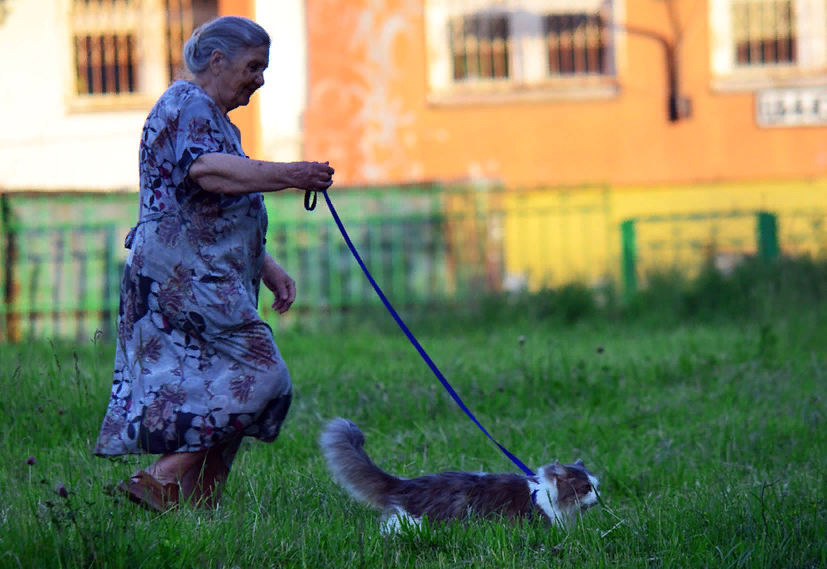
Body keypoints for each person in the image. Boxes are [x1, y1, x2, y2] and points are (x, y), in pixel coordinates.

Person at [93, 16, 335, 512]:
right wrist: (290, 173)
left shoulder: (218, 120)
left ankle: (194, 507)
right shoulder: (187, 103)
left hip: (204, 274)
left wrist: (267, 268)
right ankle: (160, 478)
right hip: (185, 278)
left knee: (217, 386)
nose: (260, 79)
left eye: (265, 69)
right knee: (263, 378)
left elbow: (214, 210)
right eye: (253, 66)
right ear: (217, 60)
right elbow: (206, 174)